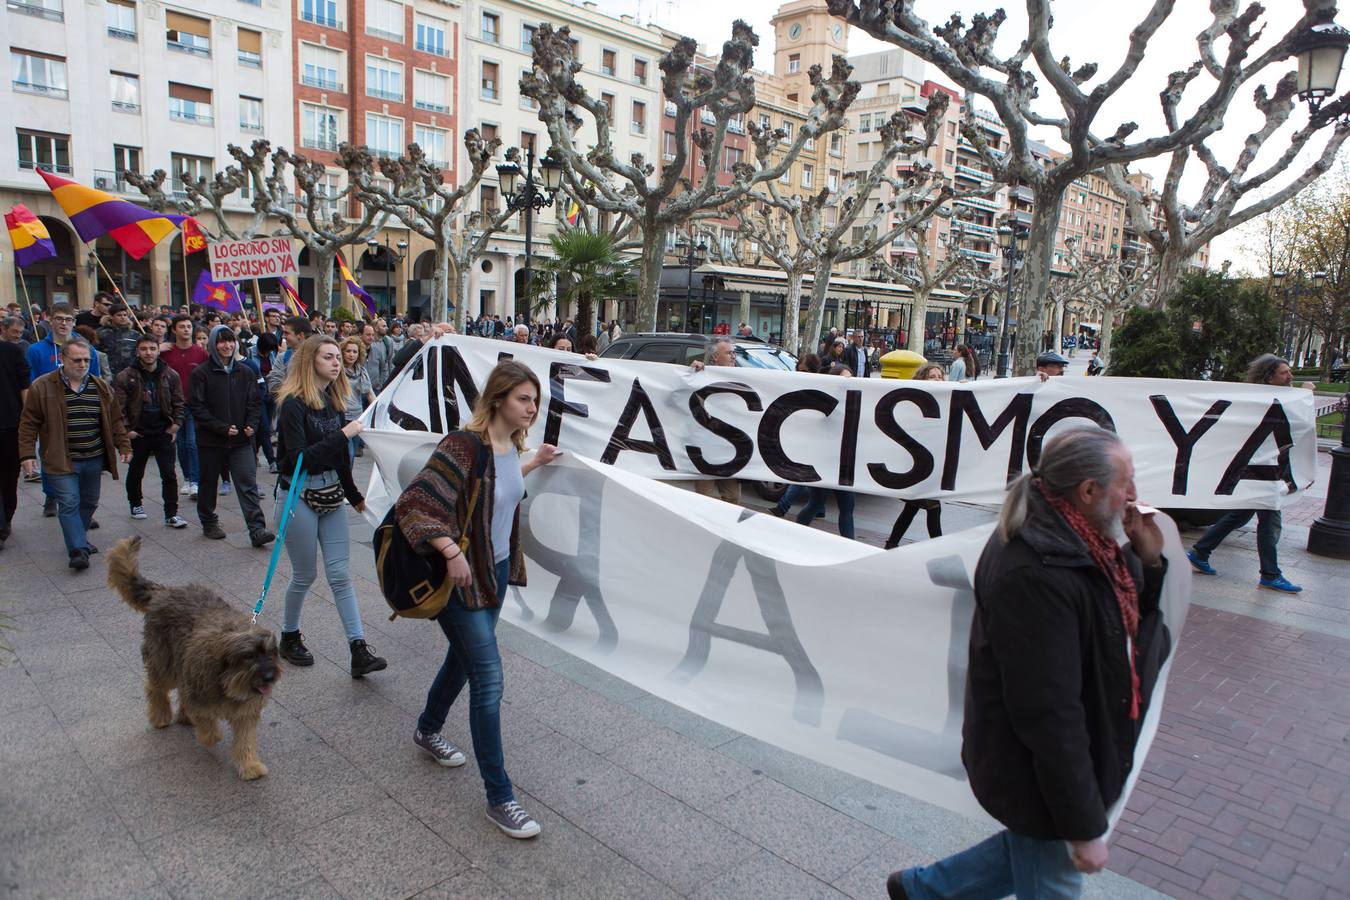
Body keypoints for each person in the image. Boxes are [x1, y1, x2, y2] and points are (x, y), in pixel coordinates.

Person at [886, 425, 1170, 900]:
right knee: (1049, 859)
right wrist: (1082, 827)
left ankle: (926, 892)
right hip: (1037, 772)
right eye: (1126, 482)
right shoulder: (1037, 570)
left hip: (1047, 767)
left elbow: (1114, 621)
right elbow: (1049, 713)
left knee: (1027, 848)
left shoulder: (1085, 542)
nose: (1134, 496)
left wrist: (1150, 563)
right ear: (1087, 491)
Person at [397, 361, 561, 839]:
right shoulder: (462, 445)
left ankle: (428, 728)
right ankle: (500, 798)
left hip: (496, 574)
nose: (532, 408)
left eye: (535, 401)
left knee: (465, 661)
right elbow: (415, 504)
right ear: (497, 399)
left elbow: (493, 490)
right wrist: (449, 550)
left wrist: (535, 462)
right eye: (523, 400)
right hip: (460, 579)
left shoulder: (509, 447)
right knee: (487, 680)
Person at [274, 335, 386, 678]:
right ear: (310, 361)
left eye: (338, 357)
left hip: (332, 494)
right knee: (305, 575)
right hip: (298, 496)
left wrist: (355, 497)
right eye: (328, 357)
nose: (337, 363)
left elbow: (340, 458)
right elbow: (297, 461)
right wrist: (344, 435)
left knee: (340, 575)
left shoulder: (335, 401)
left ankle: (358, 648)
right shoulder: (292, 404)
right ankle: (289, 636)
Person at [1185, 354, 1302, 594]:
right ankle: (1270, 574)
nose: (1290, 376)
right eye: (1284, 373)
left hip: (1259, 468)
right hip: (1261, 470)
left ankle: (1200, 551)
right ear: (1269, 378)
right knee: (1270, 521)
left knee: (1240, 515)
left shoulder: (1267, 398)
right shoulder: (1267, 401)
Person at [18, 339, 131, 570]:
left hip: (94, 457)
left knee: (89, 502)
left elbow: (115, 420)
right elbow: (29, 423)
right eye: (77, 360)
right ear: (62, 359)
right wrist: (27, 454)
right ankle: (78, 550)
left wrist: (124, 445)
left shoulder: (100, 387)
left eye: (86, 360)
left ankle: (77, 537)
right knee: (69, 503)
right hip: (60, 458)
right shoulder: (43, 386)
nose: (82, 364)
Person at [189, 326, 273, 546]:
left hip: (241, 441)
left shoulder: (245, 371)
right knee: (208, 484)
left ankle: (257, 529)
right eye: (221, 341)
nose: (227, 346)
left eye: (230, 341)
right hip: (211, 441)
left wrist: (251, 425)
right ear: (213, 344)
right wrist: (221, 427)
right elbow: (197, 407)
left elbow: (255, 403)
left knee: (247, 483)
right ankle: (209, 521)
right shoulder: (201, 373)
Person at [113, 334, 187, 528]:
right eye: (144, 349)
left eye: (152, 349)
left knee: (169, 474)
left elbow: (179, 402)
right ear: (138, 351)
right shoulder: (125, 376)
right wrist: (127, 430)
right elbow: (119, 408)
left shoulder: (170, 375)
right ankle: (135, 503)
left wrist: (176, 424)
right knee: (136, 471)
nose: (148, 353)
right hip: (139, 432)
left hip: (164, 431)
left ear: (158, 350)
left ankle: (171, 513)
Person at [884, 364, 947, 549]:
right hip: (921, 462)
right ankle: (940, 550)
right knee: (933, 509)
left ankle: (891, 544)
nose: (937, 379)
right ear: (923, 380)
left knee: (912, 507)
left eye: (939, 376)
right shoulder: (916, 402)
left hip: (933, 463)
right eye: (932, 376)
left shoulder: (947, 397)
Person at [794, 364, 856, 537]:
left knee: (847, 508)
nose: (848, 381)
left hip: (844, 465)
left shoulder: (855, 403)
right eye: (844, 378)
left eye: (851, 377)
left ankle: (850, 548)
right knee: (815, 504)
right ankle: (795, 533)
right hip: (824, 464)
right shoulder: (823, 402)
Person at [161, 314, 207, 500]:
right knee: (180, 443)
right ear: (174, 330)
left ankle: (195, 480)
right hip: (174, 405)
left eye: (189, 326)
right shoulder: (166, 352)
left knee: (192, 442)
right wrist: (157, 349)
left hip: (195, 404)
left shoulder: (200, 353)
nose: (186, 330)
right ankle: (188, 477)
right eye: (182, 326)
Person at [0, 336, 29, 549]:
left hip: (10, 424)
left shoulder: (11, 351)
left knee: (9, 477)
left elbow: (24, 386)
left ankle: (7, 516)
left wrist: (28, 422)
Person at [340, 337, 376, 459]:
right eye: (348, 351)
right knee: (347, 453)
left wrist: (378, 412)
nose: (351, 355)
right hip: (342, 416)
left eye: (355, 351)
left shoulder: (361, 371)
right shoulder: (337, 370)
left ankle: (346, 478)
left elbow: (370, 394)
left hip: (357, 417)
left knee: (352, 453)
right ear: (342, 352)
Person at [266, 316, 315, 397]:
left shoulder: (318, 356)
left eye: (287, 333)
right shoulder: (283, 357)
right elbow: (273, 382)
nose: (283, 336)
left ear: (300, 335)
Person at [98, 303, 140, 375]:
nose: (123, 317)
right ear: (111, 317)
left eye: (125, 315)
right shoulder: (101, 333)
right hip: (108, 373)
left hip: (130, 373)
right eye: (119, 315)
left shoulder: (135, 334)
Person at [361, 322, 392, 392]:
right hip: (360, 391)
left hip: (375, 390)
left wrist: (380, 384)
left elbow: (383, 368)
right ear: (361, 335)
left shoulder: (377, 350)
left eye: (372, 335)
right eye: (368, 335)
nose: (371, 337)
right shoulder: (355, 351)